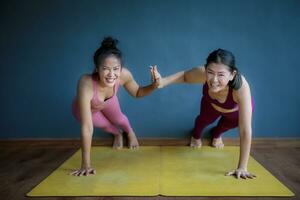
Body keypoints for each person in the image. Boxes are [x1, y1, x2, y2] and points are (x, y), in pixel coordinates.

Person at [154, 49, 256, 179]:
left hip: (234, 112)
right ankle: (196, 136)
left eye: (221, 75)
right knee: (202, 121)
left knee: (225, 126)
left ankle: (216, 135)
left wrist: (242, 167)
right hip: (211, 105)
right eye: (210, 72)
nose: (214, 80)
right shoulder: (203, 73)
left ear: (232, 74)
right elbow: (185, 76)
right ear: (205, 69)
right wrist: (162, 82)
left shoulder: (241, 87)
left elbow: (245, 131)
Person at [71, 37, 159, 176]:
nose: (111, 74)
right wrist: (86, 165)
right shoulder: (85, 82)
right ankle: (117, 134)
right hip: (88, 110)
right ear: (97, 69)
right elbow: (87, 128)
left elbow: (137, 92)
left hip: (108, 101)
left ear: (121, 68)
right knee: (106, 125)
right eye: (105, 69)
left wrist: (154, 86)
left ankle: (129, 132)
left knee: (120, 120)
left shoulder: (124, 75)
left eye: (116, 69)